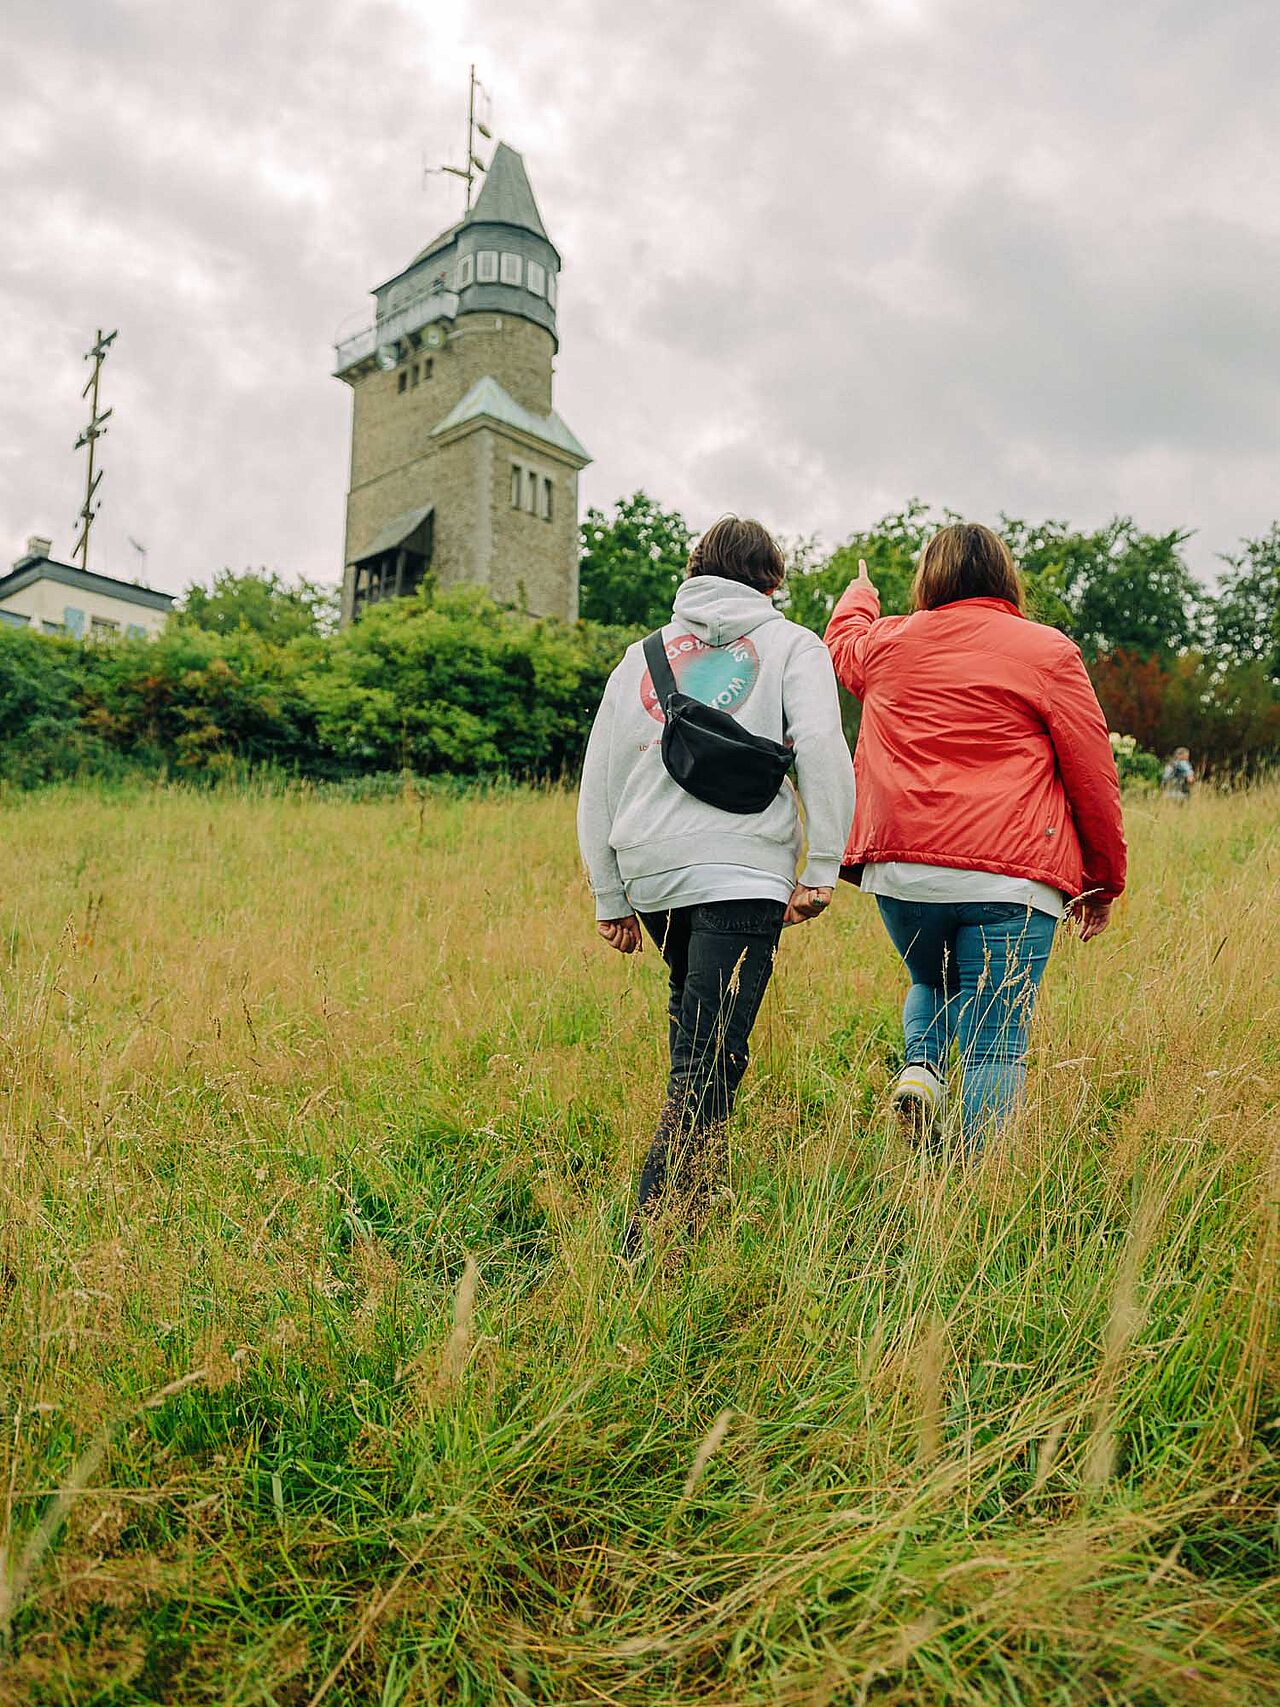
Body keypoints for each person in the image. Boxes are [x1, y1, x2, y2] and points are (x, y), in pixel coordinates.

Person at [578, 517, 855, 1254]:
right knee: (706, 1061)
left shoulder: (639, 658)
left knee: (707, 1049)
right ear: (772, 582)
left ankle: (696, 1216)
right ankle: (645, 1246)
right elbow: (823, 748)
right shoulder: (794, 644)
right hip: (741, 873)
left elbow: (597, 780)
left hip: (655, 878)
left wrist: (610, 895)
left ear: (696, 574)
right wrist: (823, 865)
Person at [824, 522, 1127, 1153]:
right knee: (995, 1043)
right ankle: (975, 1191)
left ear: (929, 579)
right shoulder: (1047, 652)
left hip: (903, 871)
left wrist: (860, 592)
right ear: (1005, 577)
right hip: (1012, 878)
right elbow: (1092, 771)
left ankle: (920, 1070)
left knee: (931, 980)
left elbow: (841, 643)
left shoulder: (885, 644)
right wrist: (1101, 880)